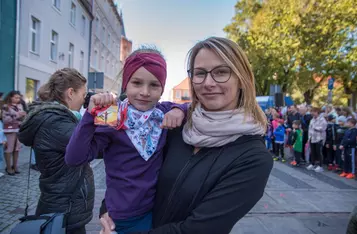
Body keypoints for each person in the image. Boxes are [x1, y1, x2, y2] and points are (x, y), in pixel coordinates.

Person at [99, 37, 273, 234]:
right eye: (200, 73)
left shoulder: (253, 157)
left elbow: (198, 229)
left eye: (221, 72)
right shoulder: (176, 126)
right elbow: (132, 169)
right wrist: (108, 211)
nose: (208, 82)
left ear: (242, 79)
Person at [65, 47, 187, 234]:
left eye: (154, 85)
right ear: (126, 85)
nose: (145, 92)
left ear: (162, 88)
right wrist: (90, 116)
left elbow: (190, 106)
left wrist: (180, 110)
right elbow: (74, 158)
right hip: (122, 217)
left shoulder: (162, 112)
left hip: (156, 211)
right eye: (137, 83)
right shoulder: (113, 116)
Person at [18, 68, 94, 234]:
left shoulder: (58, 118)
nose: (84, 99)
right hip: (64, 209)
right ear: (70, 93)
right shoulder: (57, 123)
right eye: (83, 94)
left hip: (61, 204)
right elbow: (93, 147)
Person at [1, 91, 26, 175]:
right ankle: (8, 167)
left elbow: (22, 117)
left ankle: (15, 166)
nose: (17, 99)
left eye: (19, 98)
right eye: (15, 97)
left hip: (18, 129)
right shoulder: (5, 106)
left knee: (17, 149)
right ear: (10, 97)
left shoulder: (20, 105)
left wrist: (21, 116)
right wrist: (18, 115)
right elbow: (5, 119)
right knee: (9, 148)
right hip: (9, 130)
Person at [307, 107, 327, 173]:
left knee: (319, 153)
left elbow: (323, 128)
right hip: (312, 138)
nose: (312, 113)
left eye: (314, 112)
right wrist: (309, 137)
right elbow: (310, 129)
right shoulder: (312, 119)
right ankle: (313, 164)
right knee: (313, 152)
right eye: (311, 111)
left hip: (319, 138)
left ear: (317, 112)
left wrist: (315, 128)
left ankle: (320, 166)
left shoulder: (322, 119)